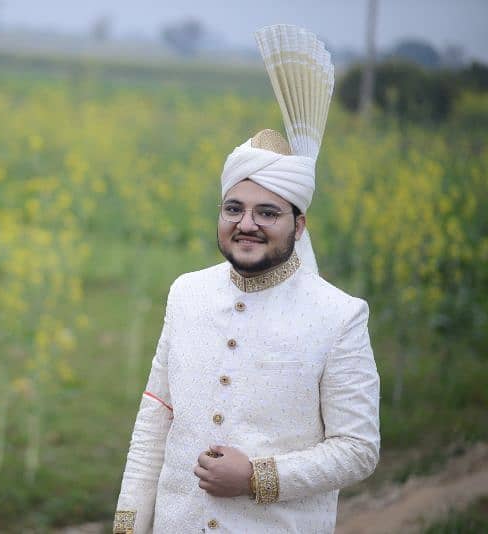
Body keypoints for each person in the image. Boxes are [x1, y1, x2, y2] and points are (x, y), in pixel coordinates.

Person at [113, 25, 380, 534]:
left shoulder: (339, 316)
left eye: (267, 213)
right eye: (233, 208)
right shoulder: (187, 293)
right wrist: (129, 523)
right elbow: (155, 419)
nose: (247, 224)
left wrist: (257, 477)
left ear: (298, 226)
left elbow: (358, 450)